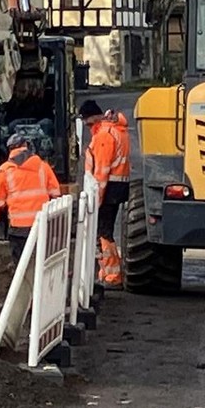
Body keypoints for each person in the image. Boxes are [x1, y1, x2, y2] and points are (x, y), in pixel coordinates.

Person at [0, 132, 62, 263]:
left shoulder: (3, 170)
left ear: (10, 149)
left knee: (21, 265)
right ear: (26, 145)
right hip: (42, 224)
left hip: (18, 228)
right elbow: (56, 193)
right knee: (43, 262)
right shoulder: (43, 166)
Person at [81, 99, 127, 287]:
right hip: (116, 188)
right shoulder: (117, 130)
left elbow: (101, 171)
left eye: (88, 123)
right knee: (105, 232)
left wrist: (96, 199)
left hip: (107, 190)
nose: (87, 128)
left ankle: (111, 275)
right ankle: (108, 272)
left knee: (103, 233)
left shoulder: (104, 135)